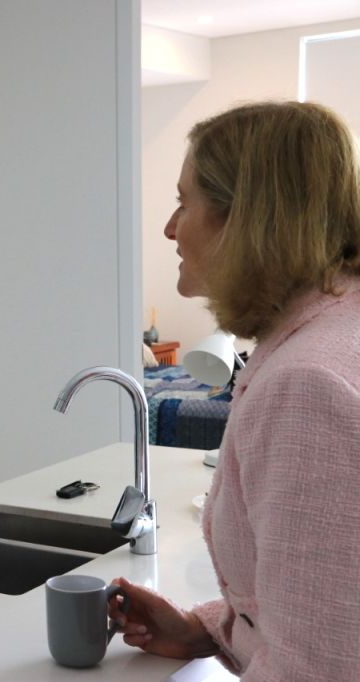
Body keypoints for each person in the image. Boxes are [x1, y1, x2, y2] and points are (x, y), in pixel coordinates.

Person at [111, 101, 360, 679]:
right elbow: (327, 600)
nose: (171, 229)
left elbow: (320, 667)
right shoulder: (335, 327)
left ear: (246, 219)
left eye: (184, 203)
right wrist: (205, 629)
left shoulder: (307, 385)